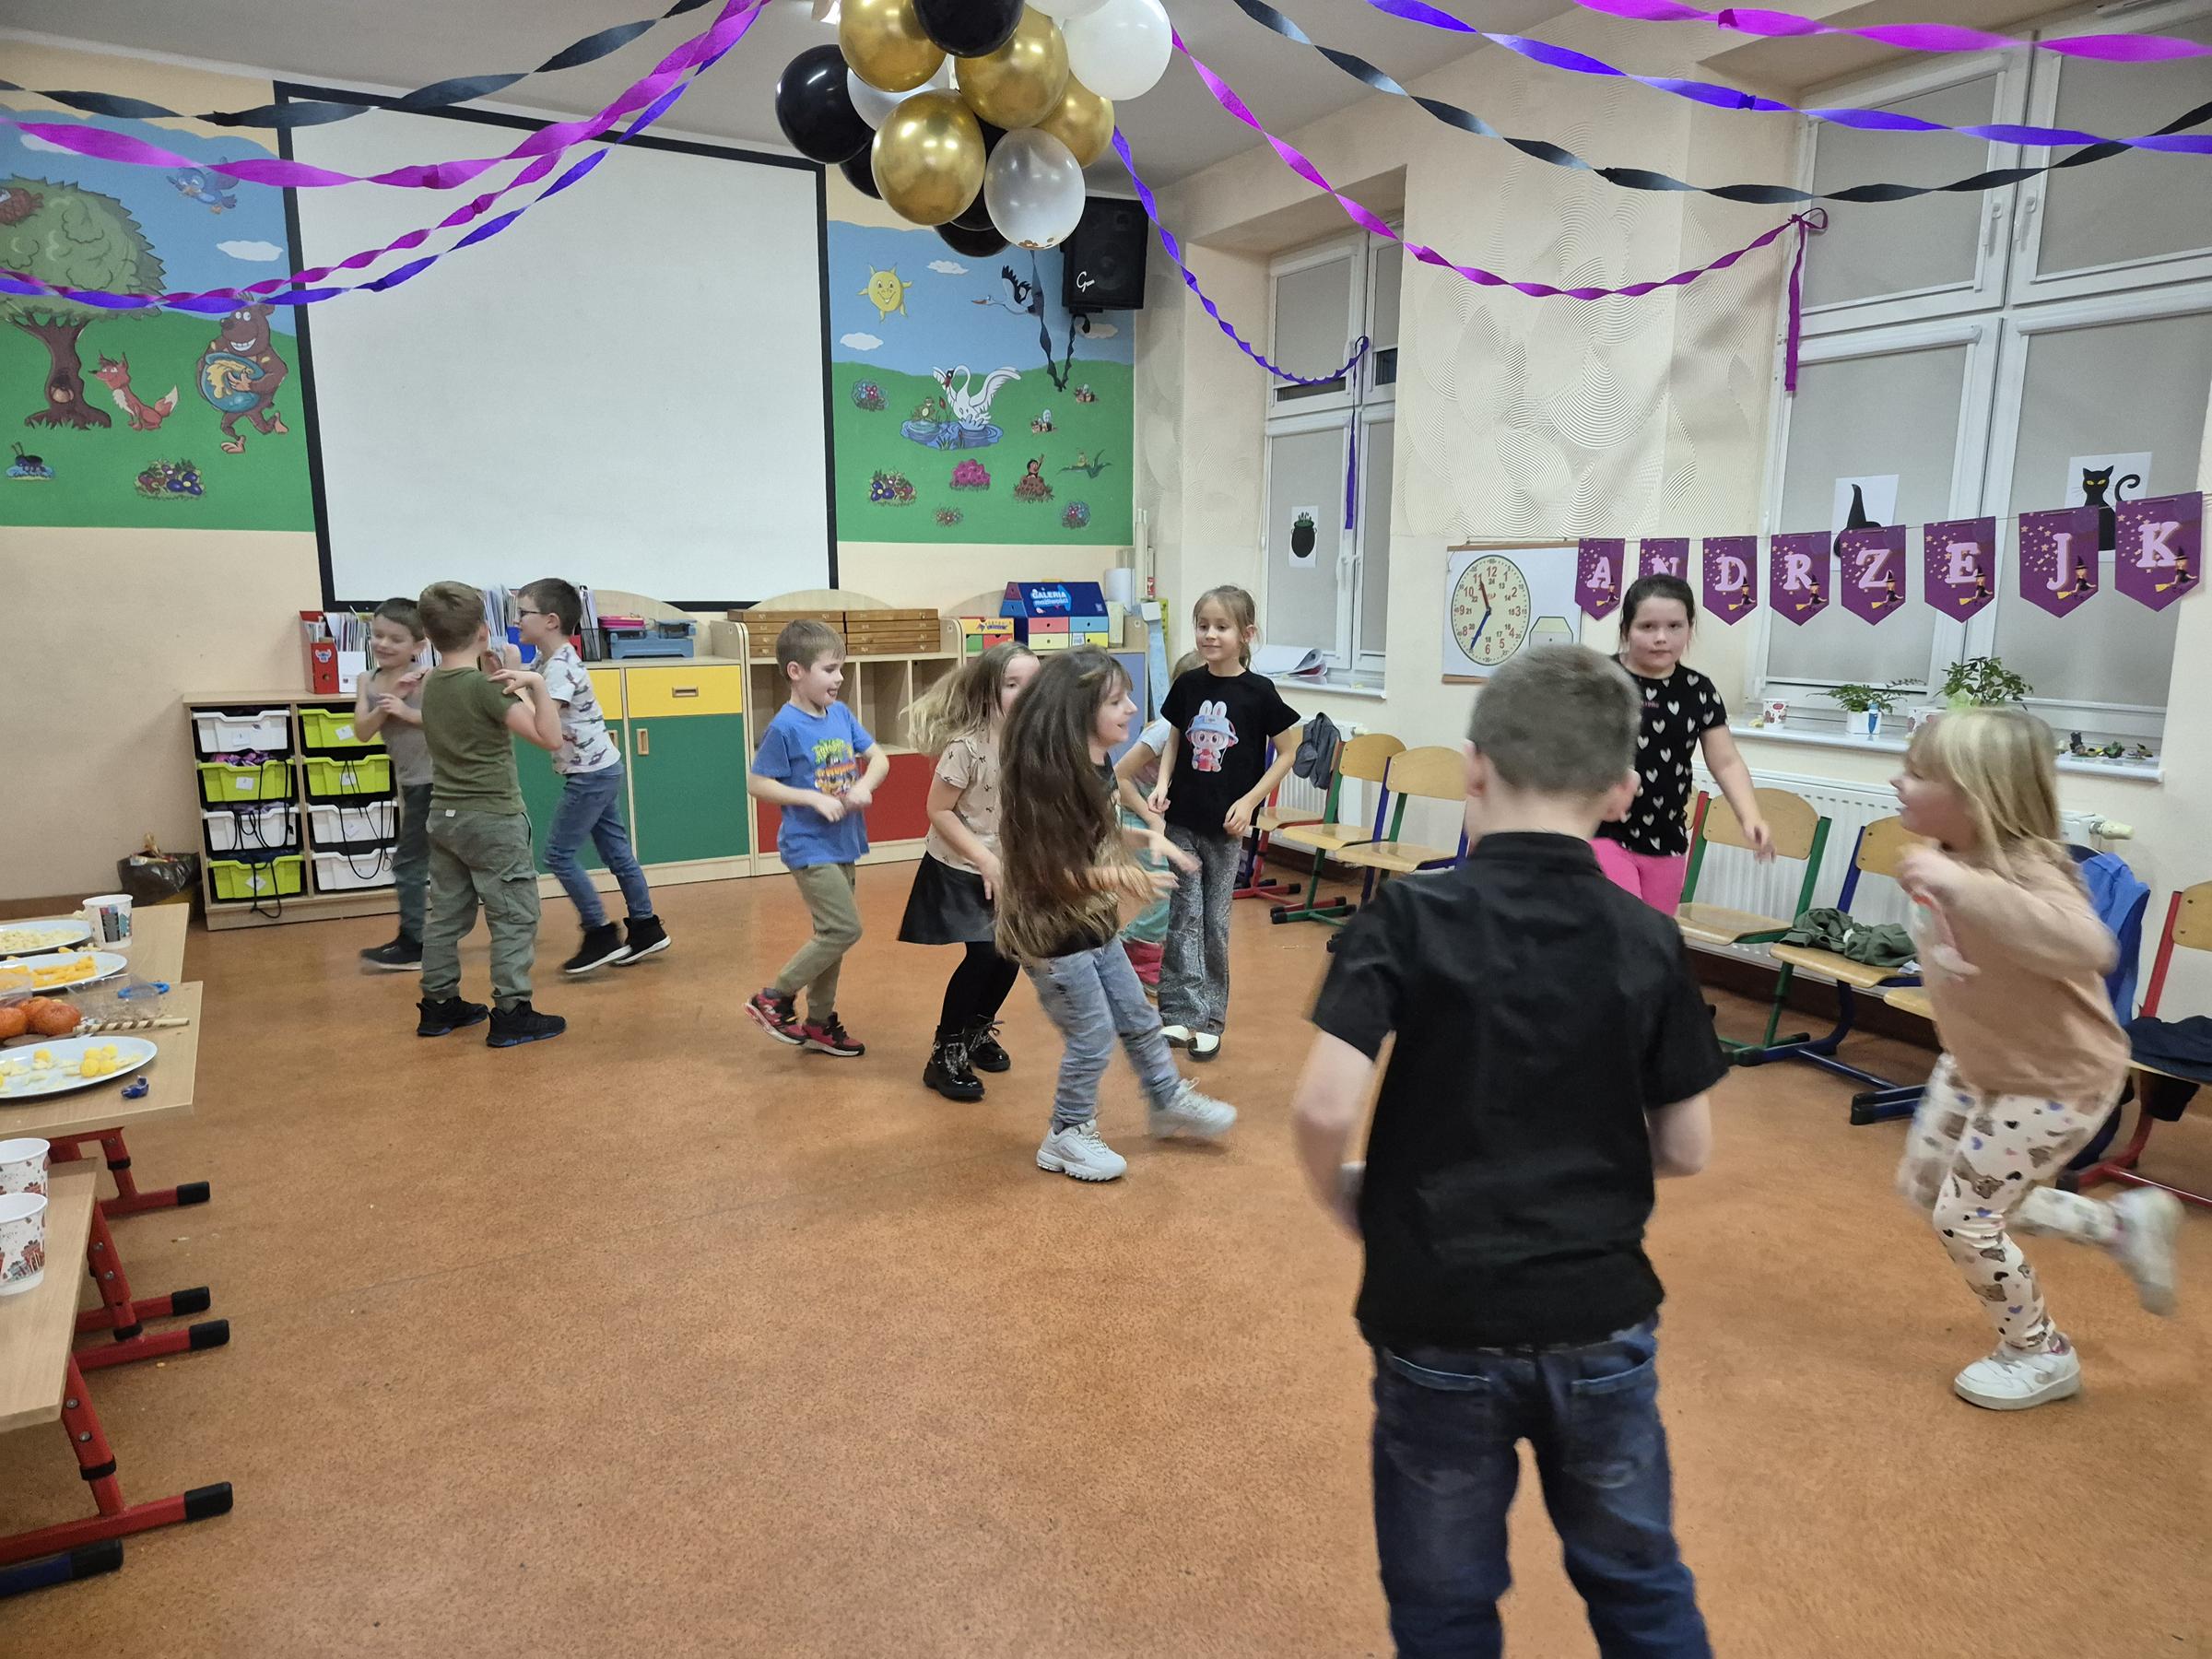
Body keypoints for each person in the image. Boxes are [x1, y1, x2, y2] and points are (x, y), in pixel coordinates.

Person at [1291, 644, 1725, 1658]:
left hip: (1437, 1316)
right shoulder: (1648, 937)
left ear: (1474, 768)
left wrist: (1346, 1196)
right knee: (1640, 1585)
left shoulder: (1409, 912)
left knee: (1443, 1603)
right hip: (1599, 1316)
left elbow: (1322, 1105)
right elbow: (1688, 1147)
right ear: (1621, 792)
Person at [1890, 707, 2183, 1410]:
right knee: (1926, 1188)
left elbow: (2091, 946)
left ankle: (2039, 1352)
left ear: (1977, 796)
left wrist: (1963, 887)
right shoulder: (1944, 855)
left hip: (2057, 1080)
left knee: (1966, 1218)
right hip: (1977, 1065)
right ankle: (2119, 1227)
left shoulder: (2030, 866)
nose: (1899, 782)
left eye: (1918, 773)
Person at [997, 647, 1238, 1182]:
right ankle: (1065, 1133)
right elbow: (1050, 873)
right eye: (1117, 701)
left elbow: (1096, 833)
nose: (1132, 708)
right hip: (1054, 935)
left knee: (1138, 1016)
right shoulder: (1048, 779)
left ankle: (1166, 1099)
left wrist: (1147, 837)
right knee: (1092, 1034)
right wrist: (1123, 878)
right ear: (1081, 711)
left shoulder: (1096, 762)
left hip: (1093, 922)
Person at [1147, 588, 1300, 1060]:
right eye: (1203, 625)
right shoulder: (1188, 685)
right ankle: (1178, 1014)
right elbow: (1175, 739)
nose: (1209, 635)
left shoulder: (1260, 692)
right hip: (1182, 819)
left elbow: (1289, 751)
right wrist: (1163, 784)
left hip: (1226, 829)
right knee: (1183, 917)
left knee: (1214, 922)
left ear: (1246, 634)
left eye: (1221, 627)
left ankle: (1211, 1019)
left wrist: (1251, 802)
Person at [413, 580, 567, 1047]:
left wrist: (492, 676)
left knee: (446, 915)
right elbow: (549, 737)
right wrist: (535, 684)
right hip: (493, 819)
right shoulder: (485, 689)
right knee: (513, 916)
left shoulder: (430, 683)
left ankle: (438, 1005)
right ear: (483, 631)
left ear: (428, 635)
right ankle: (512, 1011)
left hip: (445, 817)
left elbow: (465, 704)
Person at [898, 640, 1040, 1100]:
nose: (1025, 693)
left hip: (1010, 867)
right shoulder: (967, 748)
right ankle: (945, 1053)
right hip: (962, 865)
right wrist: (983, 858)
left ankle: (977, 1032)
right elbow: (938, 810)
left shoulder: (1034, 743)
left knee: (1011, 953)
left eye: (1033, 684)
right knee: (982, 954)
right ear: (987, 692)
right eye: (1012, 684)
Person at [745, 619, 888, 1058]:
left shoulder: (840, 714)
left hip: (845, 842)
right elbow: (757, 783)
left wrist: (864, 787)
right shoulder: (785, 727)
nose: (839, 677)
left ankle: (820, 1022)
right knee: (844, 928)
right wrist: (811, 798)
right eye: (829, 669)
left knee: (831, 935)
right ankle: (773, 997)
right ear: (796, 672)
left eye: (840, 668)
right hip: (809, 846)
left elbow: (878, 758)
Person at [514, 579, 669, 975]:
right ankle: (646, 928)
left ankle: (599, 933)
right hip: (598, 769)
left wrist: (514, 694)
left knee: (558, 855)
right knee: (616, 852)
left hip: (591, 774)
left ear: (551, 620)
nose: (516, 621)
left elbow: (543, 721)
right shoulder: (546, 661)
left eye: (523, 614)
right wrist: (509, 672)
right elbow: (530, 693)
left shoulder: (560, 667)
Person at [1597, 573, 1770, 912]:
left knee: (1656, 935)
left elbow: (1726, 762)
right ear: (1626, 629)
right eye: (1647, 627)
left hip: (1667, 837)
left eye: (1675, 626)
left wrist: (1750, 816)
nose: (1662, 638)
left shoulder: (1698, 690)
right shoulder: (1599, 679)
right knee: (1624, 924)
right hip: (1601, 831)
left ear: (1690, 628)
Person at [1112, 652, 1201, 993]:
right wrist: (1151, 820)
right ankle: (1138, 949)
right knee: (1165, 887)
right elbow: (1119, 778)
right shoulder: (1164, 731)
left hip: (1163, 815)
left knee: (1181, 885)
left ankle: (1142, 947)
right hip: (1134, 812)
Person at [353, 597, 431, 971]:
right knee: (426, 861)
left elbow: (448, 724)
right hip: (411, 783)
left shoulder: (428, 677)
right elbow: (362, 731)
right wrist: (391, 702)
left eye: (395, 639)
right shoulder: (367, 680)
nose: (383, 644)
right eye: (378, 635)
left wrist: (406, 711)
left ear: (419, 645)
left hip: (435, 781)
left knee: (409, 862)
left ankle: (414, 942)